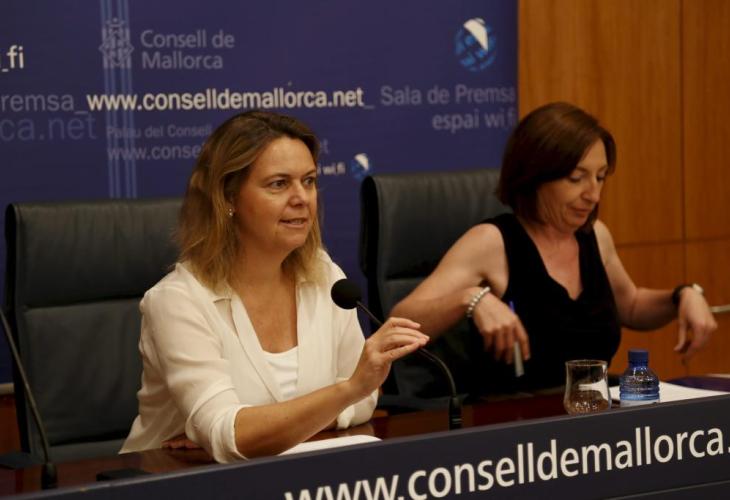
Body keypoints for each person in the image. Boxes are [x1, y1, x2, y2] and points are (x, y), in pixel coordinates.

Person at [121, 111, 427, 462]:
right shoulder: (178, 301)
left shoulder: (325, 276)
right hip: (173, 477)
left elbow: (365, 399)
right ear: (228, 197)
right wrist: (342, 394)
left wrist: (261, 429)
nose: (302, 198)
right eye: (279, 184)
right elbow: (231, 436)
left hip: (288, 473)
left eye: (308, 181)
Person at [391, 102, 717, 393]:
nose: (593, 194)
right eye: (576, 178)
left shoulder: (595, 236)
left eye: (600, 177)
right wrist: (471, 298)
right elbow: (400, 321)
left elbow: (630, 305)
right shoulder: (491, 242)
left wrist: (683, 295)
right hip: (513, 424)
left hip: (592, 414)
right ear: (535, 177)